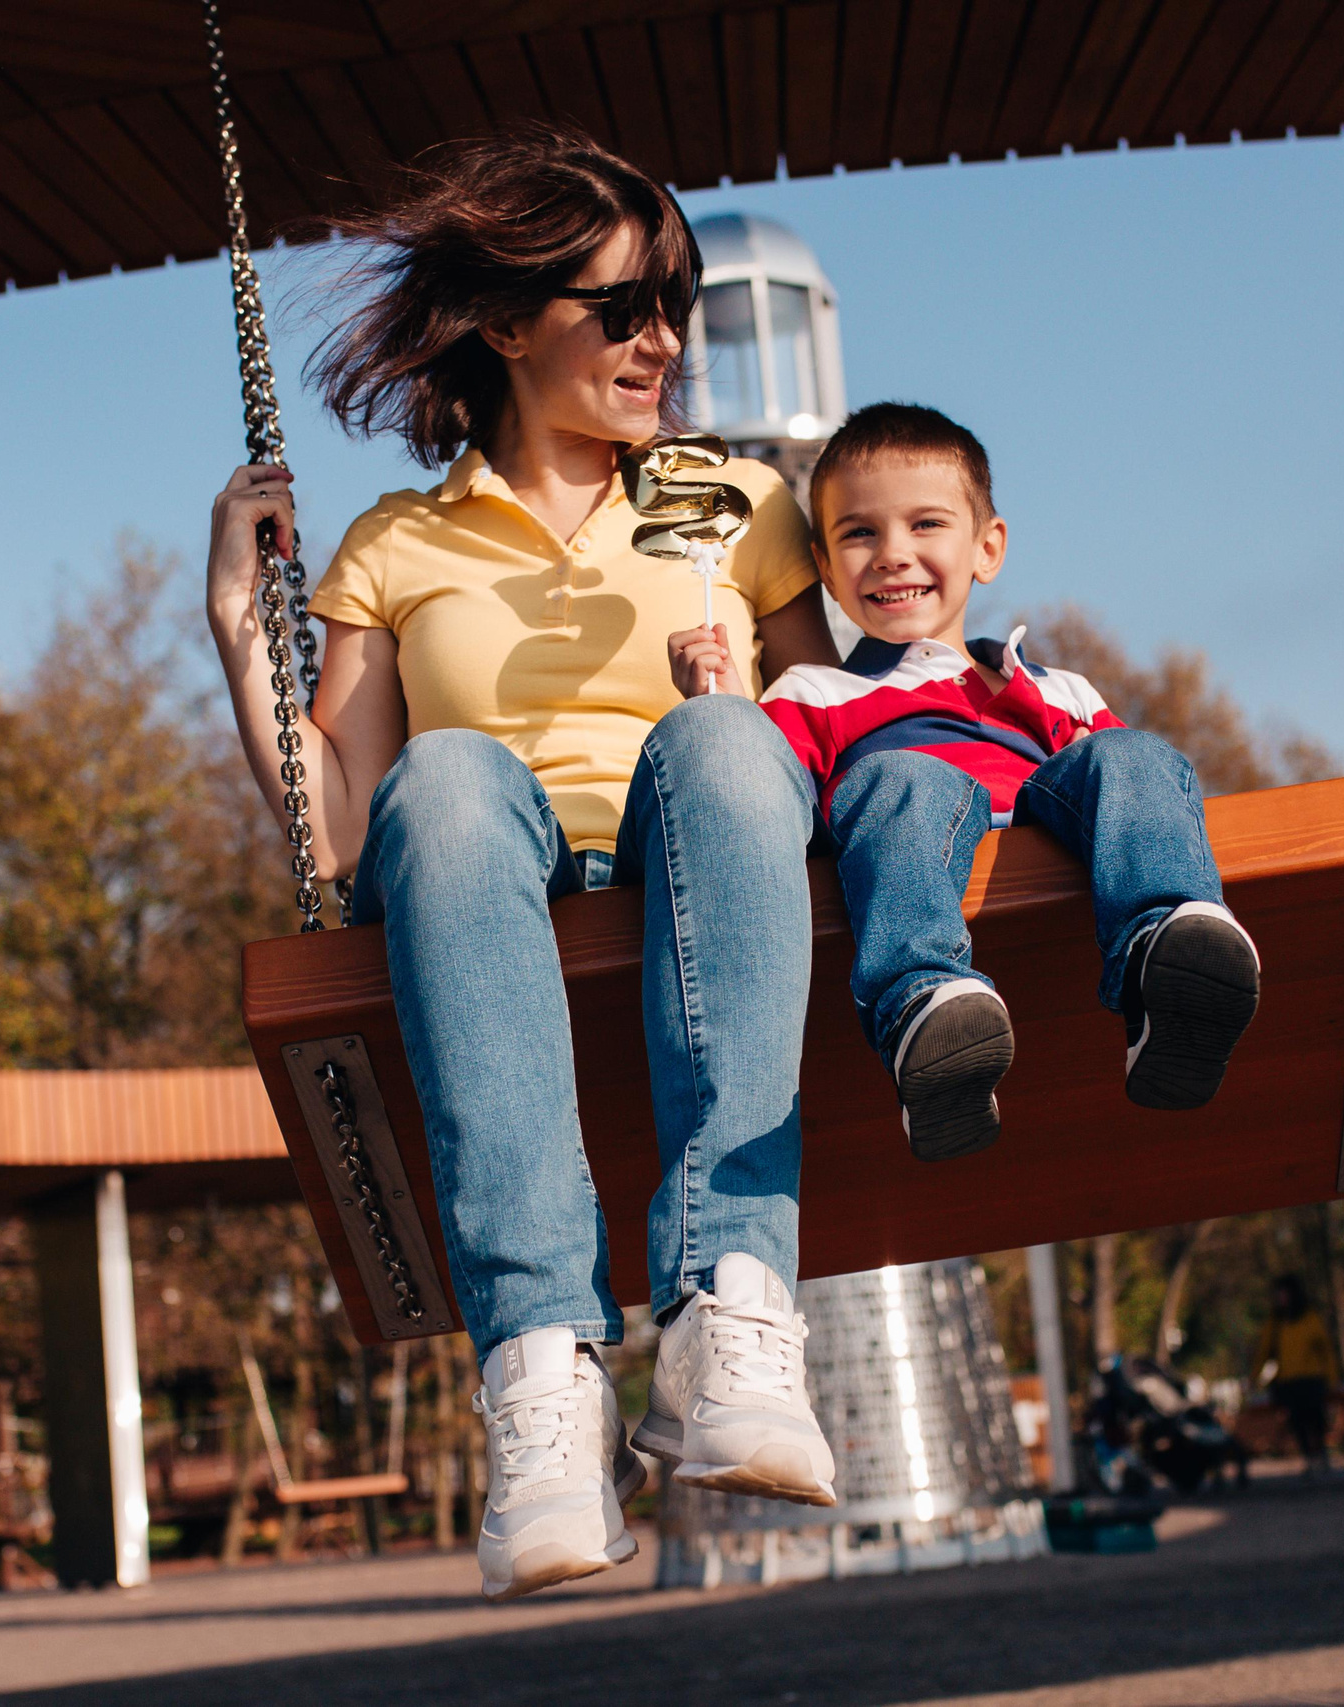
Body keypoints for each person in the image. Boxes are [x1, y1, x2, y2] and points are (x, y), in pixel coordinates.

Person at [205, 125, 844, 1602]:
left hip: (709, 882)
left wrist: (743, 701)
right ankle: (544, 1372)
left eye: (673, 305)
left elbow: (836, 730)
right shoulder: (397, 543)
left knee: (739, 744)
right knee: (440, 771)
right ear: (505, 323)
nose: (664, 340)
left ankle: (728, 1303)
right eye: (623, 308)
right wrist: (246, 625)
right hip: (496, 892)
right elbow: (347, 830)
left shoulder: (734, 507)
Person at [672, 403, 1261, 1157]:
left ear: (987, 548)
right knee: (901, 780)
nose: (891, 553)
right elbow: (761, 811)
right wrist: (720, 706)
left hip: (1047, 838)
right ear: (823, 566)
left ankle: (1169, 955)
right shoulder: (813, 695)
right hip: (913, 858)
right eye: (859, 533)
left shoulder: (1058, 689)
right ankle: (930, 1013)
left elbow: (1137, 798)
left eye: (925, 525)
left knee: (1136, 756)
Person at [1252, 1274, 1342, 1471]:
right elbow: (1263, 1352)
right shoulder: (1275, 1323)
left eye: (1283, 1292)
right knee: (1297, 1418)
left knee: (1315, 1415)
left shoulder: (1309, 1318)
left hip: (1311, 1378)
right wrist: (1253, 1380)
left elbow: (1325, 1349)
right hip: (1288, 1381)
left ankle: (1322, 1454)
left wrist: (1332, 1377)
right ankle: (1309, 1456)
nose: (1280, 1297)